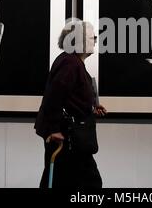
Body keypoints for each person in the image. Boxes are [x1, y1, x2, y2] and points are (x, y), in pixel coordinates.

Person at [34, 19, 107, 188]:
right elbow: (54, 96)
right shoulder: (70, 63)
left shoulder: (73, 62)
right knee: (89, 183)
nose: (95, 40)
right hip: (67, 139)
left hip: (70, 137)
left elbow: (70, 97)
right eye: (92, 37)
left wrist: (91, 108)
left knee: (59, 181)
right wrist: (54, 129)